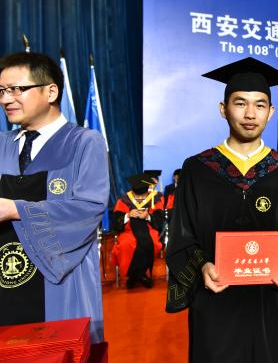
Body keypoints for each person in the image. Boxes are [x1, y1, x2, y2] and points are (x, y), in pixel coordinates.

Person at [165, 57, 278, 362]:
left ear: (271, 112)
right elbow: (181, 235)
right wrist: (202, 267)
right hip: (215, 299)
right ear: (223, 109)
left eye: (260, 105)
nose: (250, 114)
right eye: (240, 103)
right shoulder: (198, 168)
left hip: (268, 300)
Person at [0, 52, 109, 342]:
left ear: (51, 91)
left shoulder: (84, 143)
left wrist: (14, 209)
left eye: (16, 89)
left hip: (57, 284)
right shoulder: (1, 145)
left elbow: (88, 209)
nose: (6, 99)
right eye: (2, 91)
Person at [111, 173, 164, 289]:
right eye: (137, 196)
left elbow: (160, 220)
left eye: (142, 196)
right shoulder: (124, 200)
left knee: (152, 243)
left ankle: (136, 276)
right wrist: (128, 215)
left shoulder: (155, 199)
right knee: (126, 244)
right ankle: (137, 276)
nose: (140, 199)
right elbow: (115, 222)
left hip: (149, 230)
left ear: (147, 191)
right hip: (128, 231)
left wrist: (148, 216)